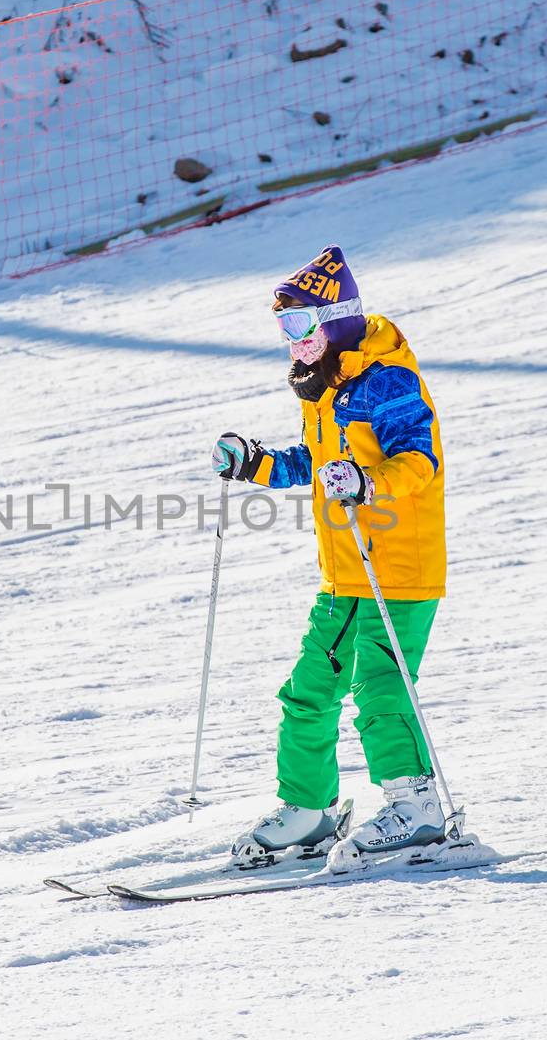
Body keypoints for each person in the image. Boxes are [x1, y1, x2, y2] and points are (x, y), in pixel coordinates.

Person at [211, 245, 448, 870]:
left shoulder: (387, 380)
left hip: (398, 568)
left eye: (300, 325)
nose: (291, 341)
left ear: (338, 320)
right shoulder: (327, 388)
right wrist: (256, 462)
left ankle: (417, 809)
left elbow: (417, 463)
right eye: (282, 328)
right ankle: (310, 809)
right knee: (308, 691)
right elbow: (320, 465)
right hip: (345, 573)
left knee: (379, 686)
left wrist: (369, 483)